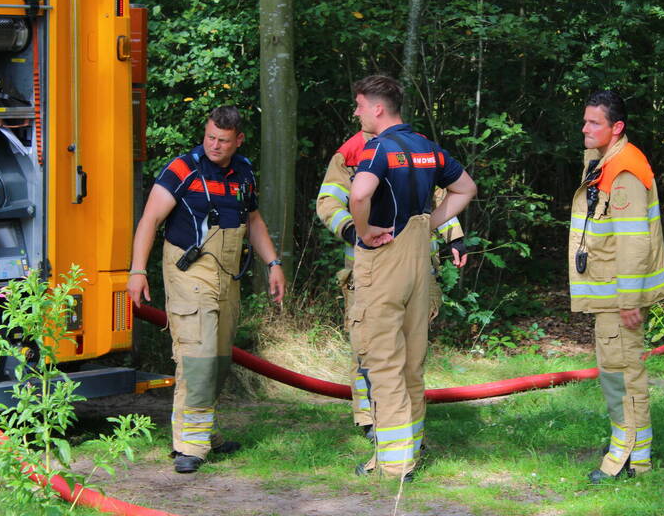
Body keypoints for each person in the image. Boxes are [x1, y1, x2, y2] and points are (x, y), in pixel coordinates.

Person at [127, 106, 286, 474]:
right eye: (210, 137)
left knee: (217, 356)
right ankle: (190, 446)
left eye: (223, 140)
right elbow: (150, 218)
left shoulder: (243, 172)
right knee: (196, 353)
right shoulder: (182, 170)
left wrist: (273, 264)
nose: (215, 145)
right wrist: (137, 270)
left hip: (227, 275)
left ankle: (202, 432)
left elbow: (254, 219)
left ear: (238, 141)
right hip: (189, 272)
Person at [347, 75, 477, 479]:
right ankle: (412, 444)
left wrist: (364, 230)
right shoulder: (427, 148)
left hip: (385, 259)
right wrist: (431, 222)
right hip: (420, 259)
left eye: (359, 105)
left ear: (377, 108)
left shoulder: (379, 149)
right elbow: (466, 188)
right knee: (412, 359)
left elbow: (358, 194)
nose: (356, 112)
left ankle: (396, 460)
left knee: (382, 358)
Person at [316, 132, 468, 439]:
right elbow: (329, 201)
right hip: (369, 268)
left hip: (414, 267)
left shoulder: (415, 146)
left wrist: (454, 235)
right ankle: (371, 417)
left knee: (411, 354)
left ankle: (405, 433)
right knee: (371, 346)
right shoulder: (352, 152)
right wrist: (355, 232)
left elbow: (433, 198)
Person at [568, 90, 664, 483]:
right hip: (610, 292)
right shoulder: (606, 162)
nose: (585, 128)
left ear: (617, 128)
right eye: (585, 120)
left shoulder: (624, 170)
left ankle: (625, 457)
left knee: (621, 374)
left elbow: (633, 241)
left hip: (617, 295)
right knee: (618, 371)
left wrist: (628, 300)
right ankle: (635, 454)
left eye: (594, 122)